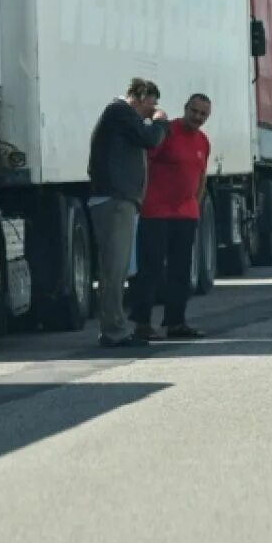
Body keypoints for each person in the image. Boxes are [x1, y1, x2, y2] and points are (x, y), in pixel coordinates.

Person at [88, 78, 169, 347]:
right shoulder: (120, 112)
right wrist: (160, 122)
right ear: (139, 96)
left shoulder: (118, 117)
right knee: (114, 270)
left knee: (119, 268)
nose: (152, 110)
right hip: (115, 200)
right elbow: (150, 139)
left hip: (118, 199)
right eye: (151, 104)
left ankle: (115, 326)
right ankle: (114, 330)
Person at [130, 93, 213, 341]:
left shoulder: (203, 141)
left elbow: (201, 177)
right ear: (185, 108)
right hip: (156, 211)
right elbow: (144, 164)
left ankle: (176, 322)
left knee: (181, 270)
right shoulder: (167, 132)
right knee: (151, 269)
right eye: (194, 111)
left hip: (186, 215)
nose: (198, 117)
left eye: (203, 114)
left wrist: (194, 206)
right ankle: (142, 323)